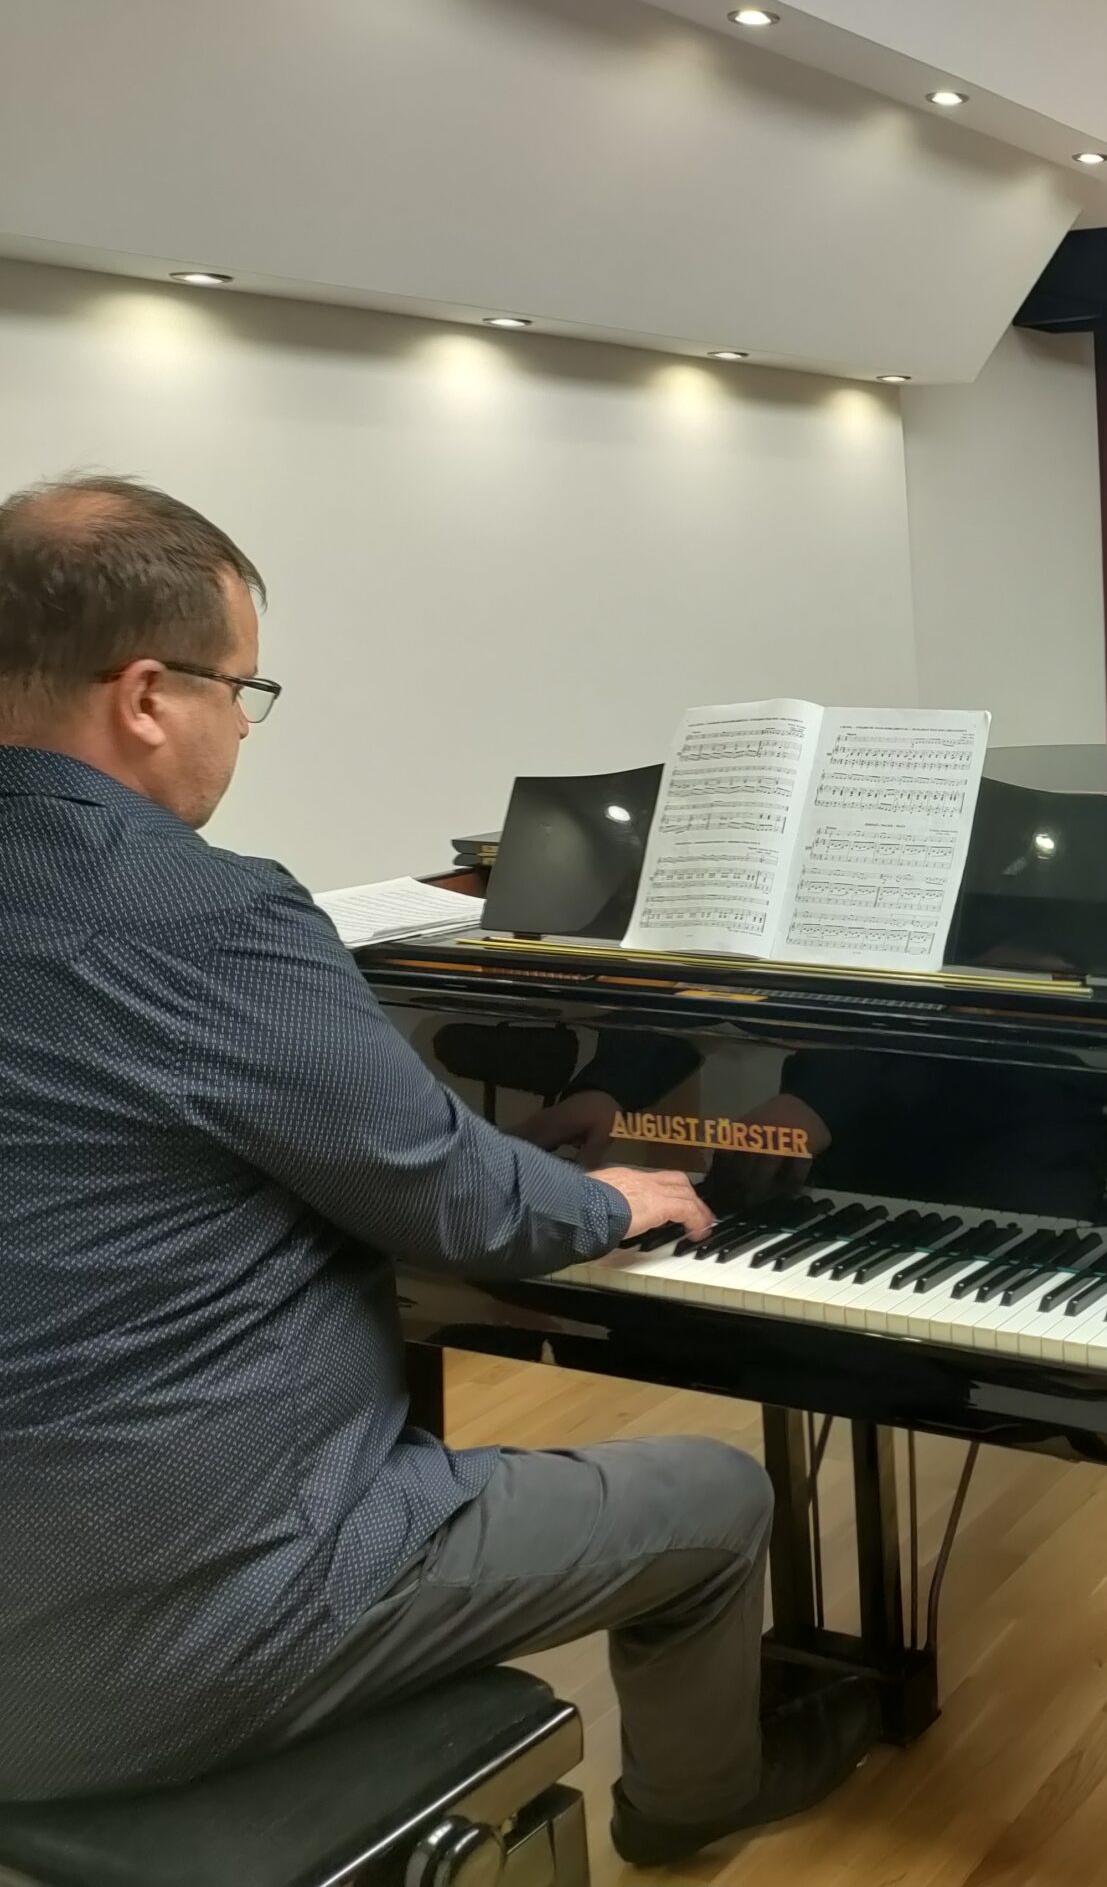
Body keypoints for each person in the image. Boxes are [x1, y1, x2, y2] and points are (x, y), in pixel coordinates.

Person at [0, 475, 875, 1863]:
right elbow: (460, 1203)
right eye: (243, 689)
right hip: (156, 1635)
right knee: (717, 1499)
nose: (246, 725)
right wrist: (612, 1194)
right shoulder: (203, 914)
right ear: (148, 696)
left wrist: (480, 1155)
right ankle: (690, 1807)